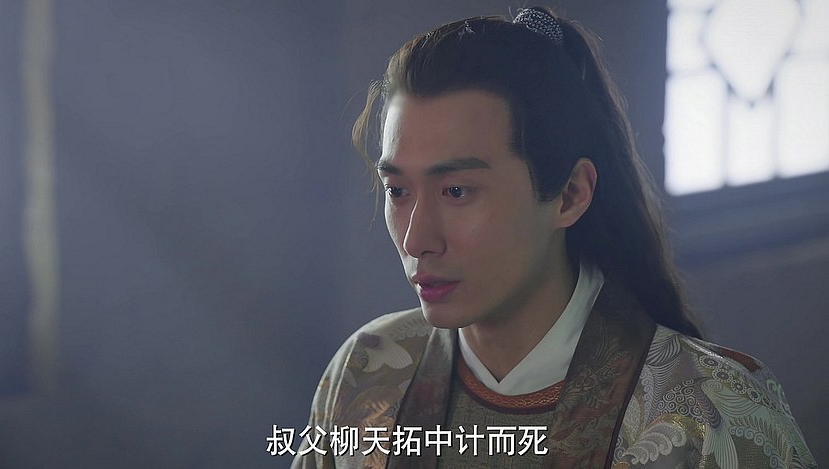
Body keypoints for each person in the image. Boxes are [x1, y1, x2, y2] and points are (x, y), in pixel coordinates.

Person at [291, 7, 816, 468]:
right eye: (398, 190)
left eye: (456, 191)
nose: (416, 240)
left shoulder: (711, 414)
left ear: (569, 194)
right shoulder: (368, 371)